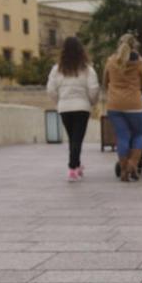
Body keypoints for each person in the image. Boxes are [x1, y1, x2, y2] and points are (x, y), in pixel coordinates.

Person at [46, 36, 99, 182]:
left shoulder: (56, 69)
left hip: (65, 108)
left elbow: (51, 89)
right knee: (77, 139)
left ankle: (76, 165)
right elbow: (94, 89)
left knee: (73, 138)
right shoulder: (87, 69)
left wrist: (59, 101)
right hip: (82, 108)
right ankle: (72, 168)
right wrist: (91, 102)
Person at [104, 33, 142, 182]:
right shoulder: (139, 62)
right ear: (134, 46)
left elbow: (105, 82)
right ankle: (132, 164)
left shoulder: (111, 61)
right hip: (135, 106)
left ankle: (124, 170)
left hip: (114, 106)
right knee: (139, 134)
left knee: (122, 136)